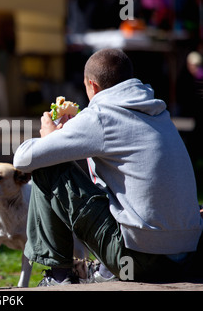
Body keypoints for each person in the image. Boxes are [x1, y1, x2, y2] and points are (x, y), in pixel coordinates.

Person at [14, 48, 203, 285]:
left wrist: (48, 138)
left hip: (140, 262)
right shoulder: (157, 112)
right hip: (186, 255)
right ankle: (104, 270)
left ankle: (59, 276)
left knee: (47, 166)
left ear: (91, 85)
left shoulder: (100, 115)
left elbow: (23, 159)